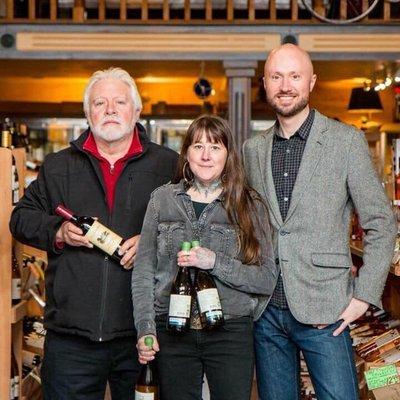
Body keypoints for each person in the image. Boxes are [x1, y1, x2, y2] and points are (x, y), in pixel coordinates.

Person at [10, 67, 178, 400]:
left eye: (119, 102)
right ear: (88, 113)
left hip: (144, 335)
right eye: (100, 103)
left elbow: (197, 227)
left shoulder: (168, 165)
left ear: (136, 111)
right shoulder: (59, 166)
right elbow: (21, 219)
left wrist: (155, 242)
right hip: (71, 340)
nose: (111, 110)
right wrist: (58, 231)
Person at [243, 43, 397, 400]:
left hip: (327, 310)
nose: (285, 85)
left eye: (294, 76)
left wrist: (364, 297)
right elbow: (248, 225)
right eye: (276, 76)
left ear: (311, 82)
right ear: (265, 83)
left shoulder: (345, 141)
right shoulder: (254, 149)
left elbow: (380, 221)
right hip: (266, 311)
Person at [131, 115, 278, 400]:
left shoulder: (249, 204)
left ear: (228, 154)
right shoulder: (162, 200)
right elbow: (143, 273)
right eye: (198, 146)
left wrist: (215, 262)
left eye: (215, 147)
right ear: (186, 153)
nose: (206, 155)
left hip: (230, 332)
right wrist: (145, 328)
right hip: (172, 330)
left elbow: (266, 279)